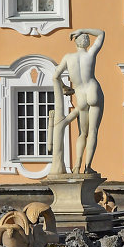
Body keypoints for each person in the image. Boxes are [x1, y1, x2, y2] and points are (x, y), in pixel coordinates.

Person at [51, 28, 105, 175]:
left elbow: (55, 76)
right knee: (93, 132)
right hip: (93, 90)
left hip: (80, 94)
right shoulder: (90, 54)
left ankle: (76, 166)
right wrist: (82, 29)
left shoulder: (68, 57)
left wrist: (65, 87)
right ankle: (88, 167)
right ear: (87, 43)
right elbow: (101, 33)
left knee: (82, 133)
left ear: (75, 42)